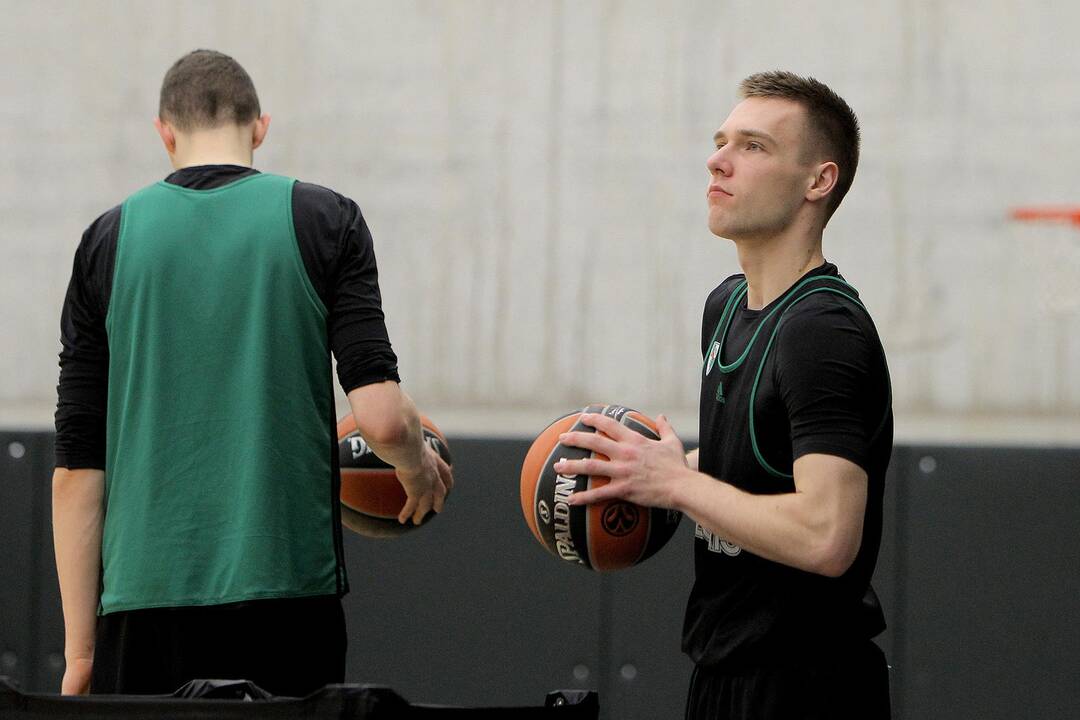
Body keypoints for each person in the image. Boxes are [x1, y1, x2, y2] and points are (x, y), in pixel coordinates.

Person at [52, 49, 452, 697]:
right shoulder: (327, 220)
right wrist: (414, 467)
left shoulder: (107, 240)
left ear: (164, 133)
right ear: (261, 128)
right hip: (289, 597)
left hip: (140, 602)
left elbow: (76, 467)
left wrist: (79, 653)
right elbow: (379, 414)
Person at [557, 71, 892, 718]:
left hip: (806, 686)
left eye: (753, 146)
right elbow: (759, 467)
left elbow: (828, 536)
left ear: (817, 181)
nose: (718, 159)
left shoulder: (823, 330)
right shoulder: (727, 304)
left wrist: (677, 486)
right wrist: (648, 471)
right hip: (721, 673)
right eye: (720, 141)